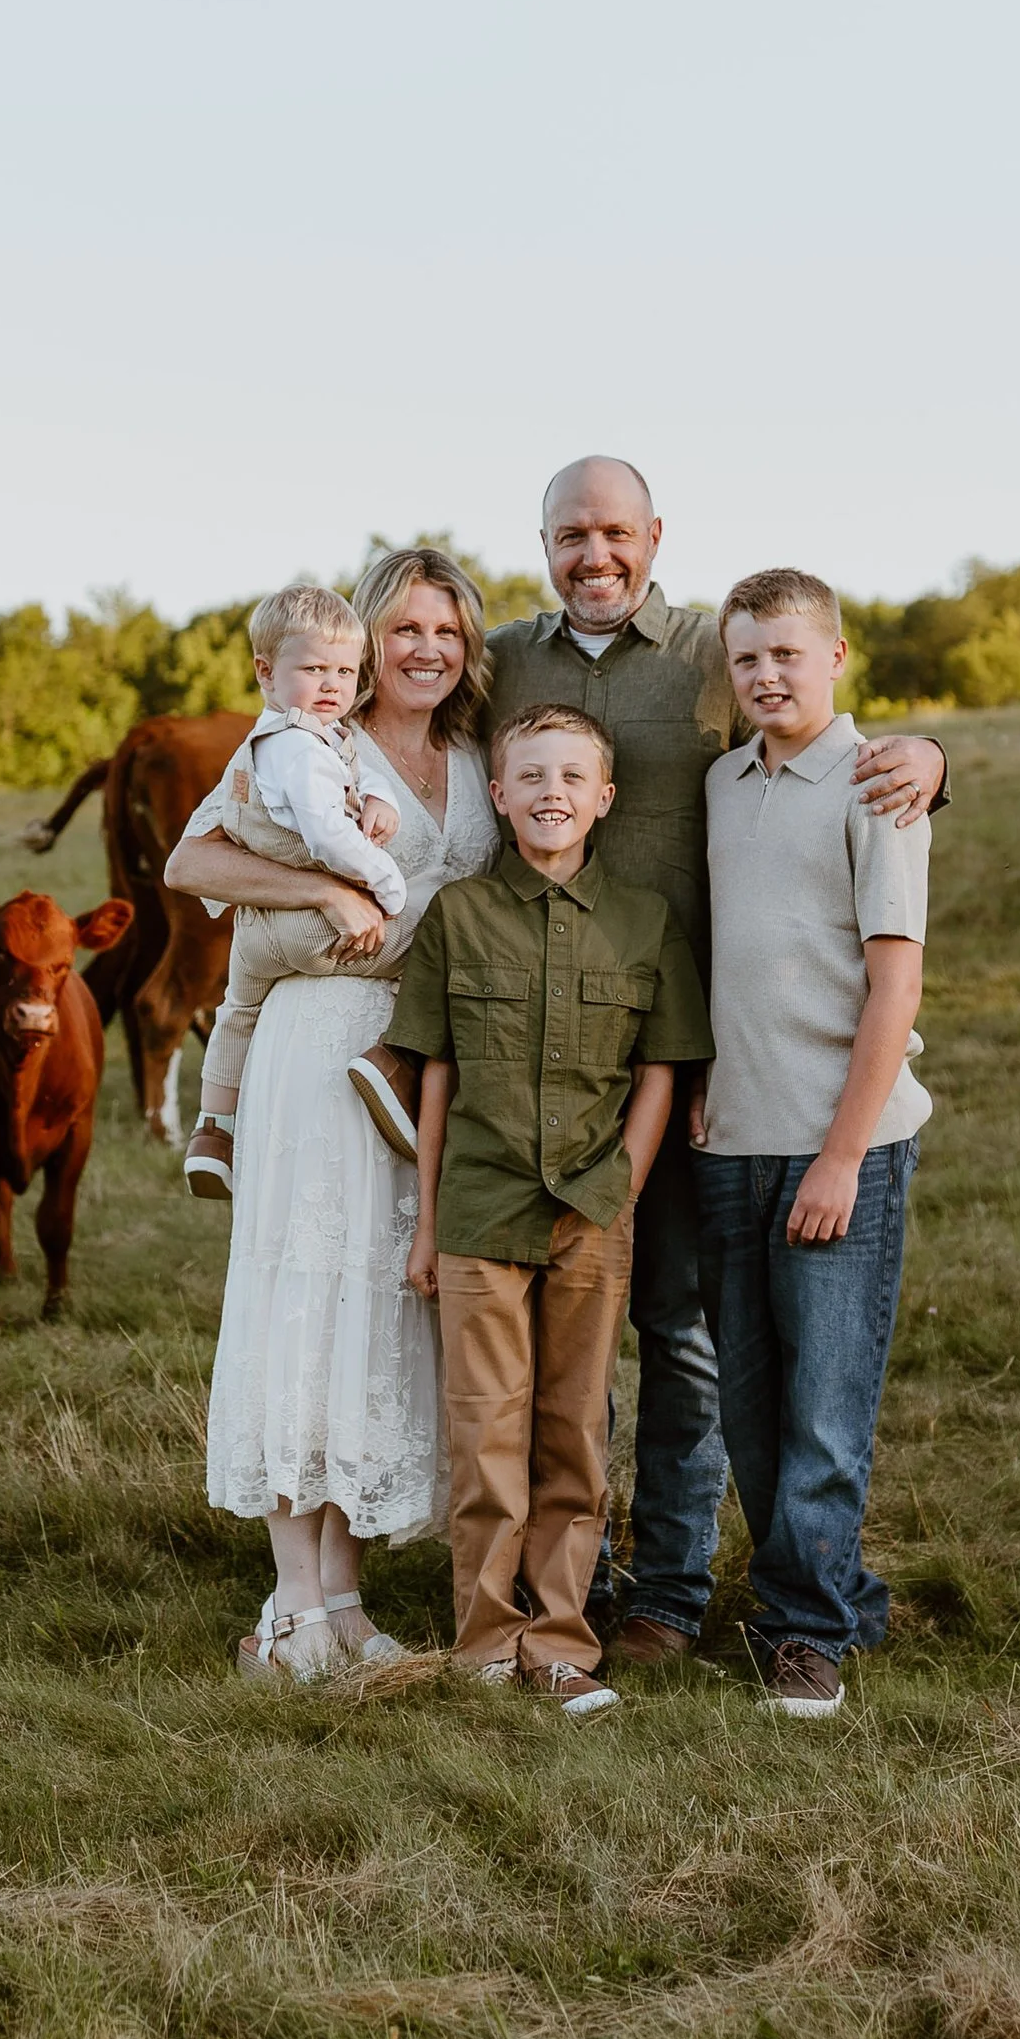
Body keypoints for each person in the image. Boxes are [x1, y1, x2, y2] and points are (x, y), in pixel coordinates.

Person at [174, 458, 946, 1667]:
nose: (594, 555)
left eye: (614, 533)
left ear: (652, 538)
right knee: (438, 1319)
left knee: (676, 1332)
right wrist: (321, 883)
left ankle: (670, 1592)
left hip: (678, 1042)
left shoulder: (707, 651)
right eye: (569, 534)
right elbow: (234, 832)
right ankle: (458, 1596)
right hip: (496, 1052)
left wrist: (933, 759)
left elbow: (806, 708)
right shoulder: (498, 671)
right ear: (542, 544)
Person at [184, 547, 498, 1679]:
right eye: (405, 629)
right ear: (368, 640)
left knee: (375, 1308)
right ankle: (291, 1609)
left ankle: (347, 1602)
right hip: (318, 1037)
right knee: (302, 1297)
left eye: (447, 633)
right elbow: (190, 857)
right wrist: (322, 886)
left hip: (418, 1058)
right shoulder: (310, 740)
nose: (425, 650)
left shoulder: (473, 756)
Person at [392, 705, 713, 1714]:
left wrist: (623, 1180)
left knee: (572, 1431)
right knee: (484, 1434)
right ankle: (486, 1642)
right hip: (481, 1212)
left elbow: (662, 1069)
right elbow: (434, 1075)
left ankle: (563, 1642)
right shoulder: (458, 918)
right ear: (499, 794)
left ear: (604, 798)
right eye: (530, 778)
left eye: (572, 778)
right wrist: (427, 1226)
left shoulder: (643, 922)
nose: (551, 796)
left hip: (591, 1215)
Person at [690, 569, 931, 1721]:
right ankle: (833, 1592)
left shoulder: (879, 784)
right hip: (731, 1141)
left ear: (834, 658)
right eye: (745, 659)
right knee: (750, 1408)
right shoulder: (721, 785)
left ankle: (805, 1635)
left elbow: (892, 986)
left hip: (841, 1144)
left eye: (787, 654)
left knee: (825, 1408)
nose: (765, 676)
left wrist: (841, 1157)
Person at [178, 587, 409, 1203]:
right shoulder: (297, 748)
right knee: (452, 927)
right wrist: (386, 884)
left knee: (237, 1014)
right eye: (313, 670)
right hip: (315, 924)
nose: (333, 684)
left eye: (344, 671)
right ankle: (401, 1066)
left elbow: (357, 768)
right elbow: (329, 832)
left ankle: (214, 1133)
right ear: (265, 671)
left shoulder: (297, 735)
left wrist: (381, 795)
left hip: (256, 932)